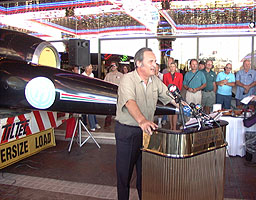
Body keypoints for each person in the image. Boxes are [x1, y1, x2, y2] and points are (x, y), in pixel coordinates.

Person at [115, 47, 177, 200]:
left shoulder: (155, 80)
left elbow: (170, 97)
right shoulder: (127, 79)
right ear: (138, 63)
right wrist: (142, 120)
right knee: (124, 175)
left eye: (155, 62)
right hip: (128, 132)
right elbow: (129, 102)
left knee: (145, 176)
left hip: (147, 132)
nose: (154, 65)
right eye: (151, 61)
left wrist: (184, 106)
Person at [163, 62, 183, 130]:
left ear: (176, 67)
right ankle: (171, 126)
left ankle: (174, 127)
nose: (172, 68)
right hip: (168, 95)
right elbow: (164, 85)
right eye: (171, 66)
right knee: (170, 111)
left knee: (175, 111)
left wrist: (176, 94)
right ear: (169, 68)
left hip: (176, 95)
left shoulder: (180, 75)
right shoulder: (165, 75)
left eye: (173, 66)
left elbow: (180, 86)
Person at [104, 61, 123, 127]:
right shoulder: (108, 75)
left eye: (114, 65)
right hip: (110, 95)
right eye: (111, 66)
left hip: (118, 95)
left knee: (119, 110)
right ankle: (107, 123)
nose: (112, 67)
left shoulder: (121, 75)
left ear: (117, 66)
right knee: (109, 110)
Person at [82, 64, 101, 131]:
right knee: (87, 111)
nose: (91, 69)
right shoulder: (83, 75)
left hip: (92, 94)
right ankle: (91, 125)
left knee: (92, 110)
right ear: (86, 68)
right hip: (85, 95)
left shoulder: (92, 75)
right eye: (90, 68)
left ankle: (94, 123)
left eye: (91, 68)